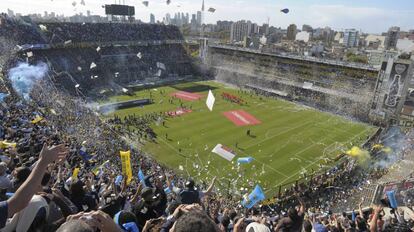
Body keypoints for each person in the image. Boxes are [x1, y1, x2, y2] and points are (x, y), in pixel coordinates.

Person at [0, 143, 68, 229]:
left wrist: (43, 161)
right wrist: (43, 161)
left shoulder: (10, 188)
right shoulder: (10, 186)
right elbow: (19, 202)